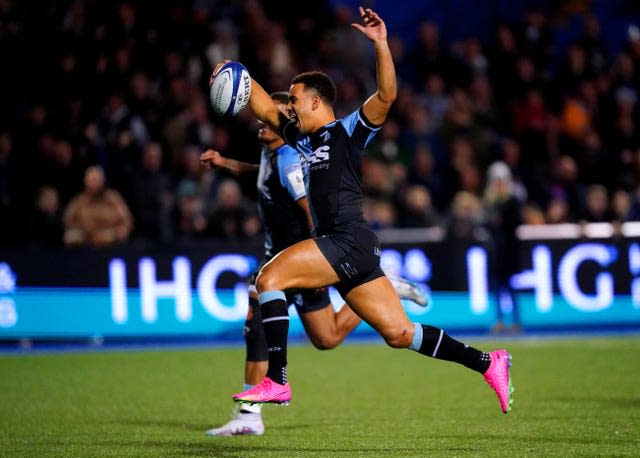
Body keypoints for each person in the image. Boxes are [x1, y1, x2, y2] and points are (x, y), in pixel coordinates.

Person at [215, 6, 513, 417]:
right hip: (352, 248)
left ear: (316, 101)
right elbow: (266, 107)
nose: (290, 107)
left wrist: (381, 45)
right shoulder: (301, 141)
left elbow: (387, 95)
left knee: (269, 277)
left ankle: (277, 381)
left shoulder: (348, 131)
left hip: (344, 240)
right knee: (399, 332)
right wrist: (239, 73)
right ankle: (488, 362)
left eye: (296, 99)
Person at [201, 92, 428, 436]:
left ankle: (249, 415)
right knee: (327, 337)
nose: (262, 122)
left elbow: (311, 208)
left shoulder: (291, 161)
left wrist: (322, 260)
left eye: (271, 118)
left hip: (296, 259)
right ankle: (387, 287)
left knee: (256, 319)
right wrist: (227, 164)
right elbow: (261, 175)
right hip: (292, 257)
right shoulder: (271, 154)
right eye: (262, 118)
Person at [62, 165, 133, 247]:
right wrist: (84, 231)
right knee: (71, 236)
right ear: (85, 182)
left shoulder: (113, 198)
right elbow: (67, 221)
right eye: (91, 180)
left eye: (96, 180)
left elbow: (127, 221)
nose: (93, 184)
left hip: (111, 241)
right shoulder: (79, 201)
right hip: (85, 242)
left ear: (102, 181)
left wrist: (116, 234)